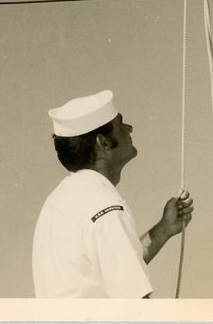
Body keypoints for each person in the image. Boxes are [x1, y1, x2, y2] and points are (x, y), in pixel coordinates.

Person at [32, 89, 193, 298]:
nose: (129, 128)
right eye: (120, 124)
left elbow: (111, 268)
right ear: (104, 143)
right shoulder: (103, 204)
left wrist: (164, 229)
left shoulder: (60, 200)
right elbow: (134, 300)